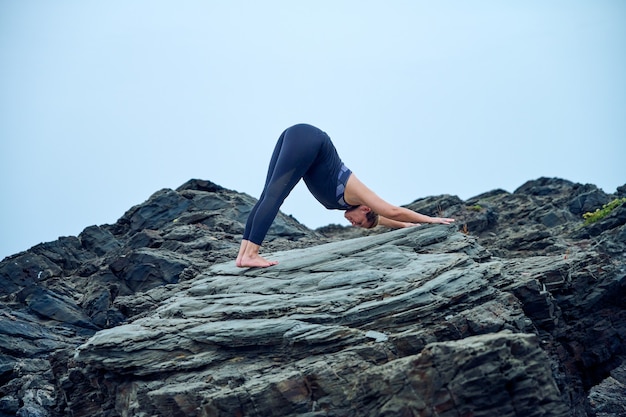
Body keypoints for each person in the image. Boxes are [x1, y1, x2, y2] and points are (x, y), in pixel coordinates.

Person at [236, 124, 455, 268]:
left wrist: (407, 227)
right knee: (274, 197)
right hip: (310, 138)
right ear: (366, 208)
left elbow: (384, 219)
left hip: (295, 135)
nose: (353, 224)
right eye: (359, 223)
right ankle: (252, 254)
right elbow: (391, 211)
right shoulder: (355, 191)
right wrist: (431, 220)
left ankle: (244, 255)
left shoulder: (348, 207)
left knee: (268, 195)